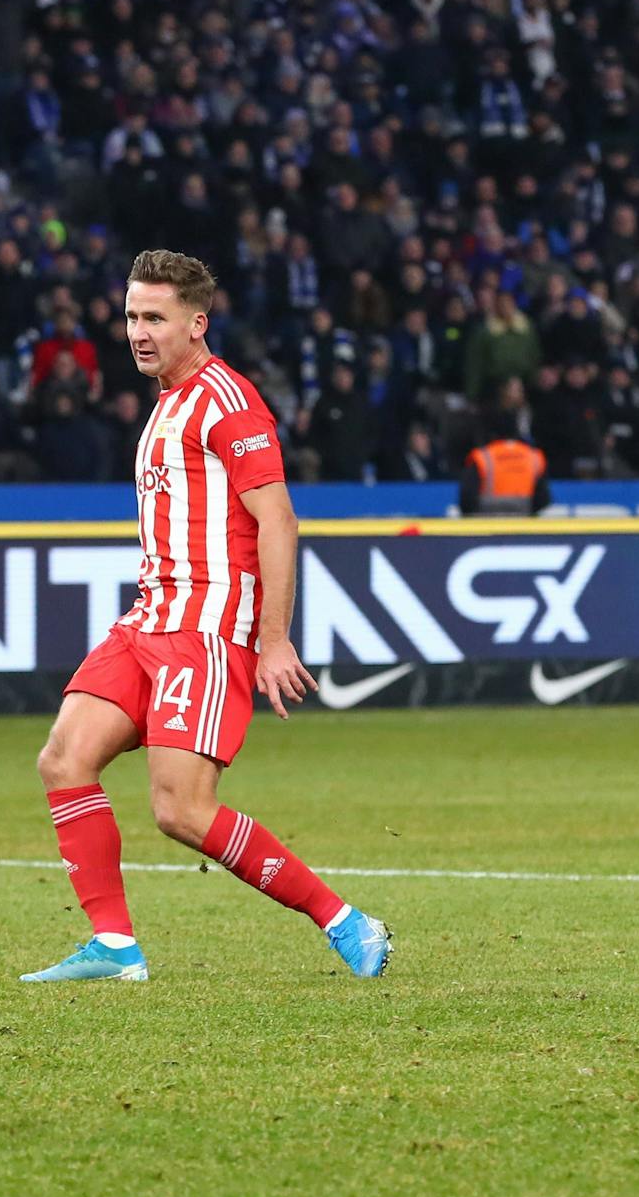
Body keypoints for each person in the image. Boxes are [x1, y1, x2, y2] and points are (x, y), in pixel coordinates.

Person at [25, 250, 393, 984]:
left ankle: (346, 920)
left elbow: (278, 519)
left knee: (181, 809)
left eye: (154, 317)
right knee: (64, 759)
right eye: (131, 315)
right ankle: (115, 946)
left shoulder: (227, 401)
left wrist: (274, 638)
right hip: (147, 621)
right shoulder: (168, 400)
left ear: (197, 324)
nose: (138, 331)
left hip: (205, 630)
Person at [459, 412, 550, 515]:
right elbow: (543, 499)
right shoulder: (534, 457)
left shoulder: (482, 457)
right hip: (522, 524)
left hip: (486, 524)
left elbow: (466, 499)